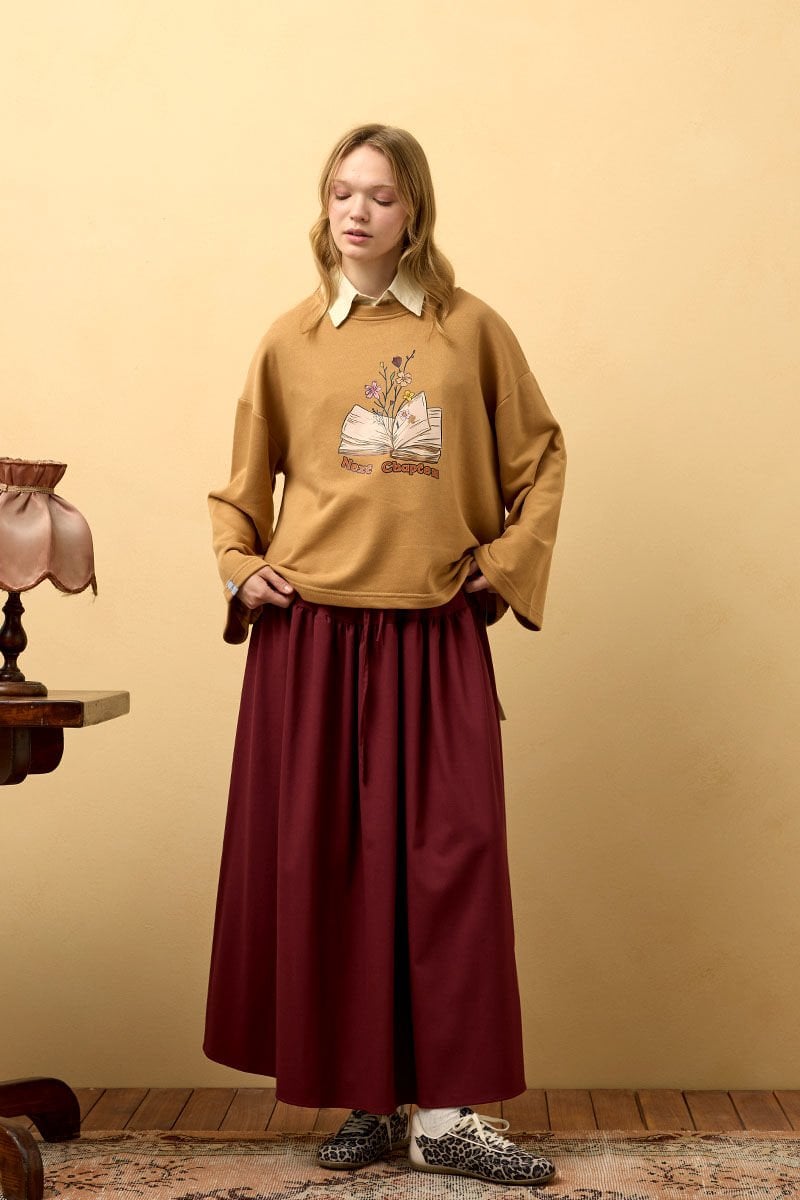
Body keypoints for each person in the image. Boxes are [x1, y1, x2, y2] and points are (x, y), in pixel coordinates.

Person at [204, 123, 566, 1187]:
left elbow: (540, 457)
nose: (357, 211)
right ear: (324, 208)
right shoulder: (288, 342)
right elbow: (239, 490)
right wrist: (240, 567)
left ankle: (445, 1118)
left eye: (381, 195)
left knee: (451, 861)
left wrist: (502, 566)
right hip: (312, 640)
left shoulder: (470, 331)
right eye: (341, 192)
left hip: (433, 629)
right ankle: (369, 1102)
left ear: (415, 212)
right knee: (333, 871)